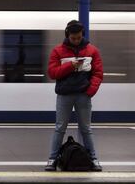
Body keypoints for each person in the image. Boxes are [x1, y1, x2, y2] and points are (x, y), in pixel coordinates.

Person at [45, 20, 103, 171]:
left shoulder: (92, 51)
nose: (76, 41)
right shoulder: (58, 51)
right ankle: (52, 159)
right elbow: (52, 73)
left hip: (83, 95)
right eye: (73, 38)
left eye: (78, 37)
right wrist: (70, 66)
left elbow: (98, 73)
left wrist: (90, 91)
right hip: (64, 95)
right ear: (67, 35)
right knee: (60, 128)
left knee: (86, 129)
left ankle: (93, 158)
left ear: (82, 35)